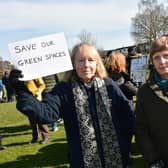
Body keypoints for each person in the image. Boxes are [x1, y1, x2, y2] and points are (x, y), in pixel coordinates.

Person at [9, 42, 134, 168]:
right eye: (80, 60)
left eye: (91, 60)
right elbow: (45, 114)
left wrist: (124, 142)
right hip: (82, 162)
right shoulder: (63, 90)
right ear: (73, 64)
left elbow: (128, 116)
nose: (86, 65)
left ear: (97, 63)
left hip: (117, 158)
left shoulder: (109, 85)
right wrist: (22, 91)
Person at [135, 35, 168, 168]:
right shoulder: (145, 92)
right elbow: (141, 129)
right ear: (152, 62)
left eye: (166, 56)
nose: (162, 61)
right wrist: (153, 160)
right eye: (156, 57)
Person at [25, 78, 50, 144]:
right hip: (27, 99)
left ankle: (46, 137)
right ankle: (35, 138)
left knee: (40, 118)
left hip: (36, 99)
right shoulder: (22, 75)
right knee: (32, 121)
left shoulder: (33, 74)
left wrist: (37, 92)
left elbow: (42, 85)